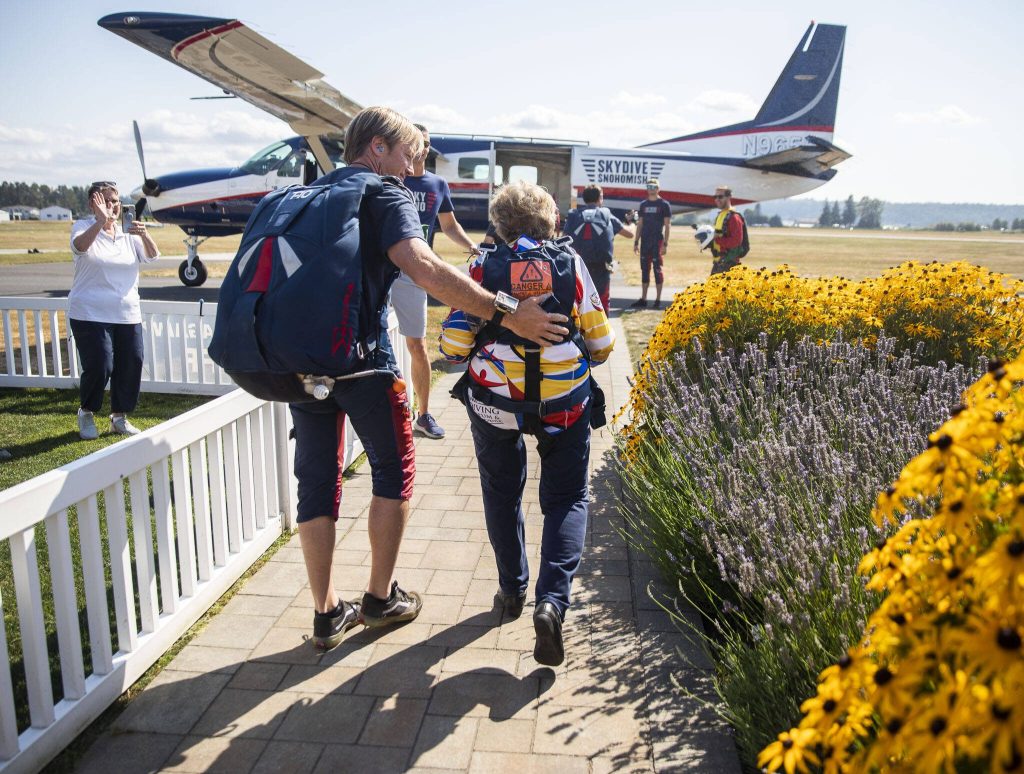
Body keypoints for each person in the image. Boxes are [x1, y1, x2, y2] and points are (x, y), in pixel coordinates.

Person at [292, 107, 569, 650]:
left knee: (316, 481)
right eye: (409, 153)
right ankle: (378, 599)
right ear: (377, 147)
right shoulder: (387, 193)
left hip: (305, 363)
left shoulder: (316, 193)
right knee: (394, 473)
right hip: (364, 362)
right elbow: (424, 269)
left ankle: (324, 612)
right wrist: (510, 311)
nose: (415, 166)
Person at [440, 181, 615, 667]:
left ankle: (511, 591)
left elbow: (453, 346)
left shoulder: (481, 266)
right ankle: (552, 602)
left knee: (501, 491)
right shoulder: (571, 264)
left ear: (499, 224)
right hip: (564, 404)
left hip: (495, 403)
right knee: (566, 498)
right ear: (550, 221)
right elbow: (602, 346)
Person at [391, 123, 481, 440]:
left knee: (416, 345)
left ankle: (423, 415)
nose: (423, 147)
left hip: (416, 272)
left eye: (427, 143)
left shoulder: (437, 183)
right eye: (417, 142)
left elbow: (449, 225)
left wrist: (472, 247)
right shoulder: (391, 176)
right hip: (383, 268)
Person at [68, 182, 160, 440]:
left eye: (116, 201)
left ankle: (119, 418)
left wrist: (143, 234)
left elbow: (152, 256)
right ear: (93, 204)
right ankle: (86, 412)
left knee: (131, 363)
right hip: (89, 312)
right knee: (100, 365)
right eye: (106, 201)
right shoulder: (83, 227)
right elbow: (80, 247)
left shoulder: (127, 234)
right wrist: (100, 221)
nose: (113, 206)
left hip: (126, 313)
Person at [562, 184, 635, 312]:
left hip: (578, 267)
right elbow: (630, 234)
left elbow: (564, 239)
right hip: (601, 268)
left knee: (579, 301)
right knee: (601, 301)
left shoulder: (573, 216)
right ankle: (602, 330)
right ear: (599, 198)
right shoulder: (606, 214)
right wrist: (632, 222)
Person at [631, 178, 671, 309]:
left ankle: (658, 300)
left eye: (654, 187)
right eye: (649, 186)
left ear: (658, 188)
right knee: (644, 269)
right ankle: (643, 299)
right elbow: (640, 224)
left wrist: (665, 244)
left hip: (657, 241)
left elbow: (667, 225)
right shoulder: (643, 204)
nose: (651, 189)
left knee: (657, 270)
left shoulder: (664, 205)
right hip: (645, 241)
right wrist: (636, 242)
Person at [710, 185, 749, 275]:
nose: (717, 199)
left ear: (729, 197)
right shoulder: (720, 215)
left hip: (729, 264)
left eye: (720, 197)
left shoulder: (734, 217)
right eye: (715, 197)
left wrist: (716, 240)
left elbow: (736, 242)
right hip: (719, 262)